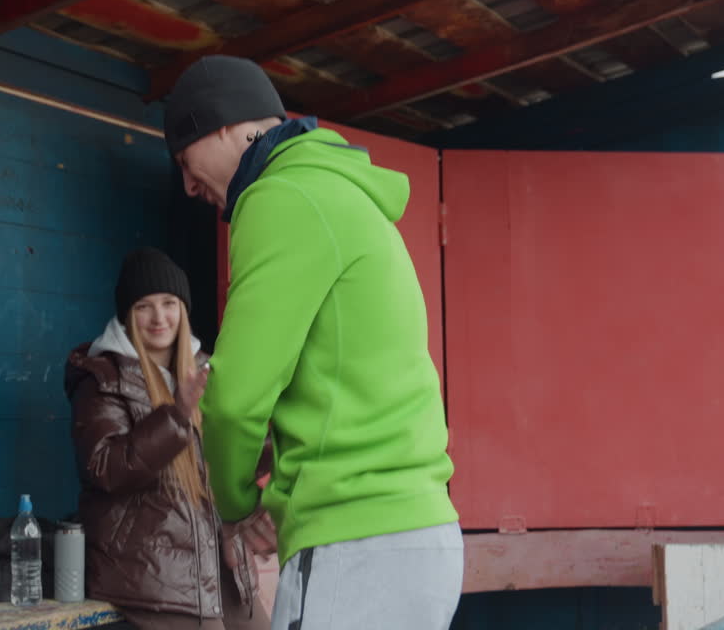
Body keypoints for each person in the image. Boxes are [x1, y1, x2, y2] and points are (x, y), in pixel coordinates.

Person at [163, 55, 463, 630]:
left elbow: (234, 398)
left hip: (356, 545)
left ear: (226, 125)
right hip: (415, 535)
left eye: (185, 158)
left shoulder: (280, 196)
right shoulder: (339, 194)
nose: (187, 185)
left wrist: (237, 508)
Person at [64, 247, 270, 630]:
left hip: (221, 564)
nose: (159, 317)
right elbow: (104, 466)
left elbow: (239, 452)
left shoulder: (208, 369)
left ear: (183, 309)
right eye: (144, 306)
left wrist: (271, 441)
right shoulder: (102, 378)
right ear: (127, 315)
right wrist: (175, 415)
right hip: (152, 570)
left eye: (169, 303)